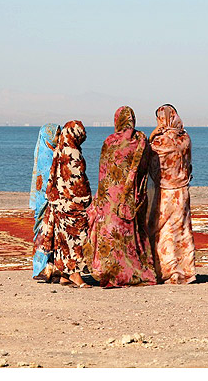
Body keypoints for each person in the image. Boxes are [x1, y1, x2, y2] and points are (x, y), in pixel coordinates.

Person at [83, 106, 157, 287]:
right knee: (131, 234)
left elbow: (103, 171)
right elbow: (144, 170)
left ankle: (111, 271)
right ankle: (134, 271)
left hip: (110, 196)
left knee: (111, 234)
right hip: (132, 196)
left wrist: (100, 198)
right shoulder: (141, 141)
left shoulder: (110, 141)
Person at [34, 120, 92, 288]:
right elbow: (76, 181)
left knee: (63, 240)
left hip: (59, 204)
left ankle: (65, 275)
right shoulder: (72, 152)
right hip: (72, 204)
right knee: (76, 239)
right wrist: (86, 198)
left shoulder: (58, 150)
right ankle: (76, 275)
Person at [148, 104, 196, 284]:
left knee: (163, 230)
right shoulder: (185, 139)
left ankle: (167, 271)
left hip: (165, 192)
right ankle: (186, 271)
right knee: (182, 230)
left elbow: (145, 157)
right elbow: (188, 164)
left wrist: (153, 134)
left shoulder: (160, 142)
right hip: (182, 191)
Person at [29, 124, 61, 280]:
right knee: (44, 232)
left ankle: (51, 268)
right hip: (45, 202)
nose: (59, 138)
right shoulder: (46, 157)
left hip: (51, 200)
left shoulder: (52, 153)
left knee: (51, 234)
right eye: (57, 135)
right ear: (49, 137)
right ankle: (40, 268)